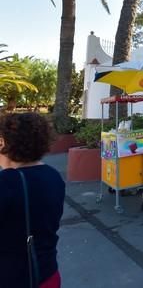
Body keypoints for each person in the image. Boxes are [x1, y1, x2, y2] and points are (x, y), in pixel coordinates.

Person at [0, 113, 64, 288]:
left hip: (14, 278)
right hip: (48, 274)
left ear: (3, 143)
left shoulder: (6, 183)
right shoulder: (53, 175)